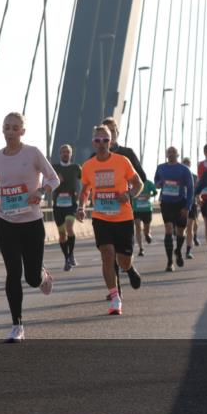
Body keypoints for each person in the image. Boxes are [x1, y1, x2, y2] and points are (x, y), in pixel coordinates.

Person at [0, 113, 59, 341]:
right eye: (7, 127)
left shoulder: (33, 153)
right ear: (3, 130)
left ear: (22, 132)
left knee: (31, 278)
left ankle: (42, 275)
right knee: (13, 273)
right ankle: (17, 325)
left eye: (15, 128)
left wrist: (40, 191)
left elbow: (54, 179)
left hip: (31, 222)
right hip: (6, 221)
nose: (10, 132)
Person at [77, 125, 144, 316]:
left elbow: (138, 183)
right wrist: (81, 207)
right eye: (97, 140)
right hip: (101, 217)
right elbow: (84, 190)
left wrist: (130, 194)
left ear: (111, 142)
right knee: (107, 253)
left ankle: (129, 269)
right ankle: (115, 297)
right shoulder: (88, 165)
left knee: (122, 261)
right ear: (93, 143)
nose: (101, 144)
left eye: (105, 140)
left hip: (123, 217)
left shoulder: (122, 161)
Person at [155, 147, 195, 271]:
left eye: (174, 152)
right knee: (168, 228)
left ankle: (178, 251)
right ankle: (169, 262)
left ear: (177, 155)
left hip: (180, 203)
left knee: (180, 231)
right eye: (169, 152)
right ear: (166, 154)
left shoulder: (184, 169)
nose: (171, 154)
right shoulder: (161, 167)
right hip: (166, 203)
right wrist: (158, 183)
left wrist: (187, 207)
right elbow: (156, 180)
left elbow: (191, 189)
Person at [51, 144, 82, 271]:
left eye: (67, 152)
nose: (65, 154)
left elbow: (85, 180)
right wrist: (55, 180)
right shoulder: (54, 168)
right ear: (60, 154)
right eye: (63, 152)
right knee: (62, 234)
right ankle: (67, 257)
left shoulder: (76, 168)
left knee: (69, 228)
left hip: (71, 204)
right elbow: (46, 182)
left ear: (71, 154)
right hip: (58, 205)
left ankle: (70, 256)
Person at [133, 177, 158, 257]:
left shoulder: (148, 183)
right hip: (136, 209)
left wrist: (149, 195)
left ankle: (147, 234)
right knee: (138, 227)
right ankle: (141, 248)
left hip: (147, 209)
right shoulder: (132, 183)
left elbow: (155, 192)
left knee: (146, 229)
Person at [181, 157, 200, 259]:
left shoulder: (195, 177)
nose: (186, 166)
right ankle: (180, 247)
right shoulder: (178, 176)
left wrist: (199, 199)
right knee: (181, 228)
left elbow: (197, 190)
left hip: (192, 204)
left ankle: (188, 250)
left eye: (188, 164)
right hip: (179, 204)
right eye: (184, 164)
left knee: (190, 227)